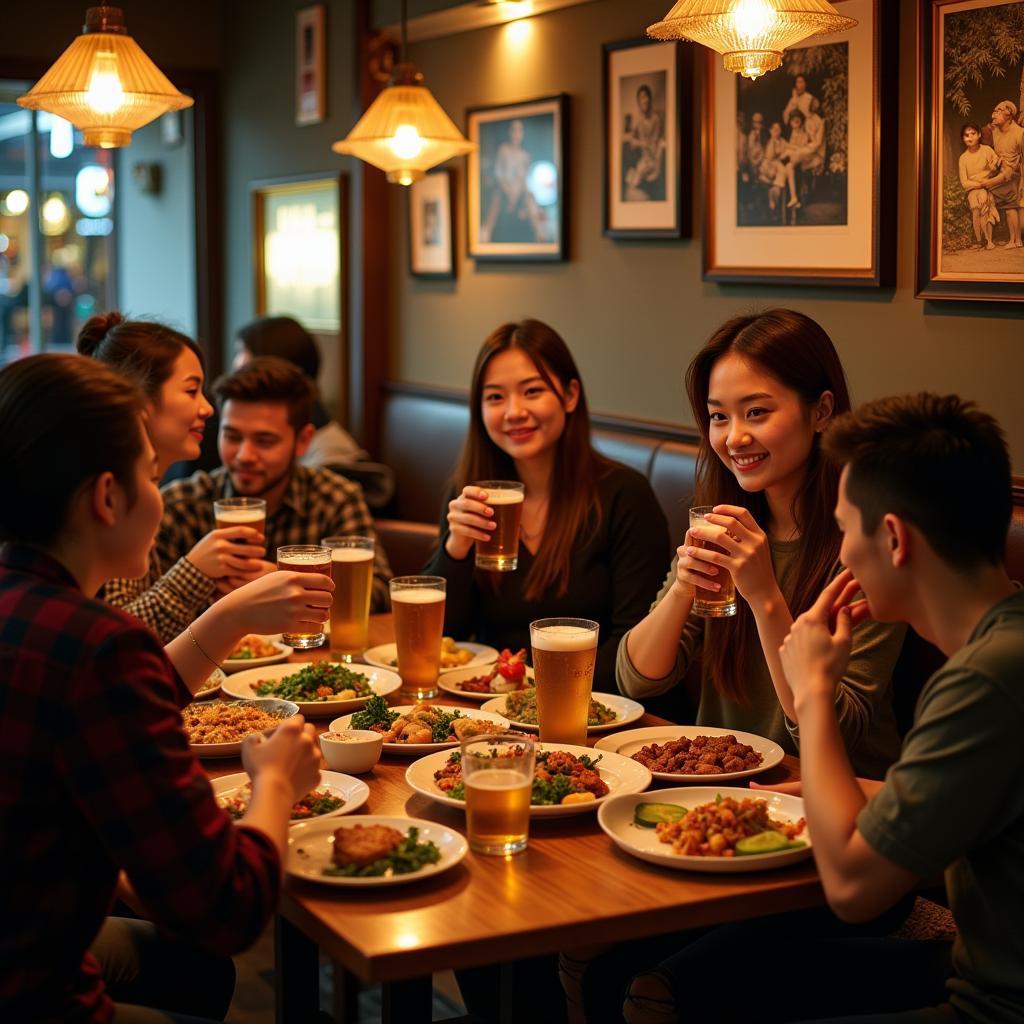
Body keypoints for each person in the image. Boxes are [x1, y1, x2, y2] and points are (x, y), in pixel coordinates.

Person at [658, 392, 1021, 1023]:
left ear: (893, 539)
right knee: (682, 986)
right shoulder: (1001, 645)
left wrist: (816, 694)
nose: (844, 552)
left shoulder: (985, 681)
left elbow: (853, 891)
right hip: (979, 971)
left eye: (848, 528)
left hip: (992, 1003)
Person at [0, 353, 329, 1022]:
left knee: (192, 970)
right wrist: (273, 782)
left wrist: (228, 618)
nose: (162, 490)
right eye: (152, 475)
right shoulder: (99, 648)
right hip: (34, 993)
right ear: (107, 497)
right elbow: (229, 909)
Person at [616, 310, 904, 780]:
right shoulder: (725, 524)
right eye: (718, 417)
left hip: (838, 802)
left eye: (757, 412)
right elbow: (638, 678)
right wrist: (683, 587)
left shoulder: (867, 545)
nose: (734, 438)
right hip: (718, 786)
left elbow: (836, 729)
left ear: (821, 411)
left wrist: (764, 595)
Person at [423, 318, 668, 694]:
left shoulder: (624, 495)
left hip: (600, 709)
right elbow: (443, 640)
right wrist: (455, 549)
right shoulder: (470, 496)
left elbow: (632, 642)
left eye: (532, 391)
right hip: (493, 708)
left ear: (570, 395)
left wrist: (540, 696)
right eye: (494, 397)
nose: (513, 412)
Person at [79, 312, 275, 645]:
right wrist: (194, 572)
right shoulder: (108, 494)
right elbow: (117, 642)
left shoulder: (144, 489)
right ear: (139, 399)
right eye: (191, 391)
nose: (208, 408)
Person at [156, 356, 392, 620]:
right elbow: (145, 615)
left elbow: (379, 593)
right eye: (232, 436)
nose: (244, 455)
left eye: (264, 441)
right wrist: (200, 586)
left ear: (302, 441)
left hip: (306, 657)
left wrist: (290, 585)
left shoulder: (334, 498)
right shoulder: (180, 505)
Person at [232, 315, 394, 507]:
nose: (236, 363)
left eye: (242, 351)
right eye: (233, 437)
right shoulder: (208, 488)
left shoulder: (331, 459)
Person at [480, 119, 547, 244]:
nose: (516, 133)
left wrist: (520, 193)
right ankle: (486, 230)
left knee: (529, 197)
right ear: (509, 132)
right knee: (497, 195)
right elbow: (499, 174)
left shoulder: (525, 155)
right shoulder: (504, 150)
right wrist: (508, 190)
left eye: (519, 130)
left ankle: (539, 231)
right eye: (514, 130)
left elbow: (523, 179)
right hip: (504, 190)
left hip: (519, 193)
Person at [958, 122, 1001, 251]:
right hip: (972, 190)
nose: (969, 137)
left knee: (984, 202)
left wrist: (984, 175)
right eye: (966, 135)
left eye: (973, 134)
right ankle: (978, 240)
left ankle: (989, 240)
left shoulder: (987, 150)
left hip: (987, 188)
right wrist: (980, 181)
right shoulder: (963, 158)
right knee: (975, 207)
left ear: (979, 135)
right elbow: (965, 183)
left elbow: (996, 166)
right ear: (963, 138)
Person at [987, 100, 1023, 248]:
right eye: (994, 111)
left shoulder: (1020, 133)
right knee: (985, 191)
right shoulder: (995, 130)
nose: (993, 114)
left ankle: (1016, 240)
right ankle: (1011, 240)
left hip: (1014, 175)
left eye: (998, 111)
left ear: (1008, 114)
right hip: (1000, 173)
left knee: (1009, 205)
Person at [624, 84, 666, 200]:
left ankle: (649, 176)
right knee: (633, 181)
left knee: (637, 179)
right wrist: (639, 143)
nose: (644, 100)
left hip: (653, 158)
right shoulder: (639, 121)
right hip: (644, 160)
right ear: (639, 102)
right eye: (641, 98)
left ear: (650, 99)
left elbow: (658, 143)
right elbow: (632, 140)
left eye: (646, 97)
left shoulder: (656, 119)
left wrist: (657, 163)